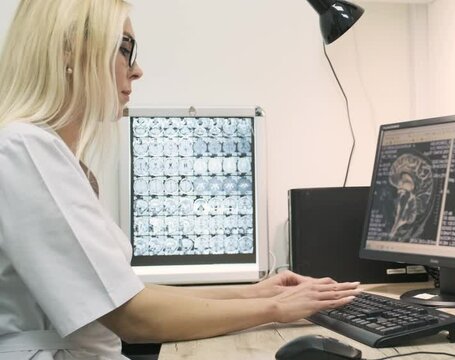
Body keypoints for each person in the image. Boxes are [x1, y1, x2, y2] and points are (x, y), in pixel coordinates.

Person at [0, 1, 360, 359]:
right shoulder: (25, 148)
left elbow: (127, 293)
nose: (137, 70)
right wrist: (277, 309)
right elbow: (134, 317)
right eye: (125, 49)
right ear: (69, 49)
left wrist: (260, 292)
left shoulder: (45, 153)